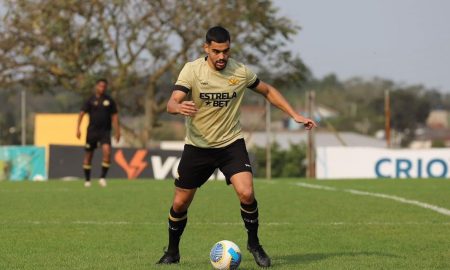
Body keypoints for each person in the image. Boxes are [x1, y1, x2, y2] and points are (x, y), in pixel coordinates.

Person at [156, 26, 317, 267]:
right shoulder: (192, 70)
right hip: (198, 146)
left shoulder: (240, 71)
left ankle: (254, 244)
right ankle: (172, 251)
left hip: (231, 144)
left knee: (247, 192)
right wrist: (177, 107)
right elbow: (172, 102)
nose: (222, 57)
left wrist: (294, 114)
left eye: (226, 51)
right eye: (216, 51)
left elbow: (268, 90)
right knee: (180, 203)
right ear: (206, 49)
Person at [76, 78, 120, 187]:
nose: (102, 88)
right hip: (92, 132)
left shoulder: (109, 100)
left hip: (105, 131)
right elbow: (81, 113)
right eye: (100, 86)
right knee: (89, 155)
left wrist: (117, 131)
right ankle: (87, 180)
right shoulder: (90, 100)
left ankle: (102, 178)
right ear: (96, 86)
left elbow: (114, 116)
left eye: (104, 86)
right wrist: (78, 128)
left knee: (107, 151)